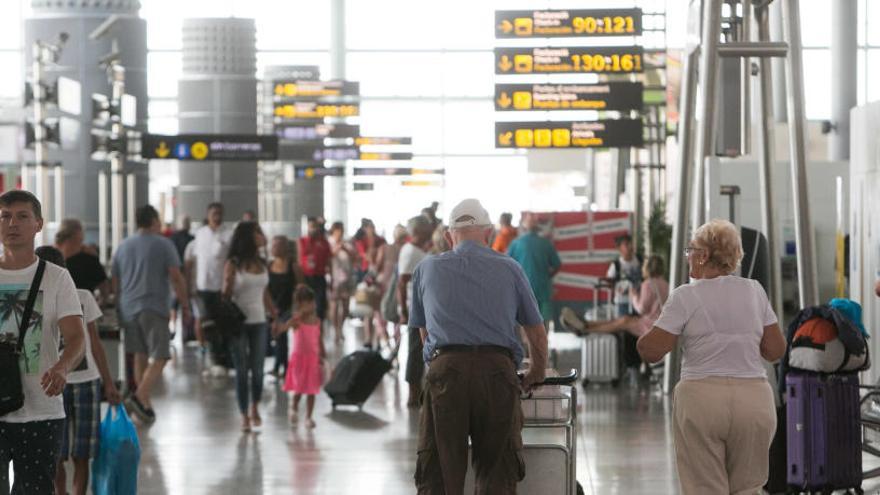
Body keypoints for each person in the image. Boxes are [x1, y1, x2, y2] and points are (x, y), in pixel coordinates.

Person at [409, 198, 548, 494]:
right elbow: (535, 331)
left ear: (449, 235)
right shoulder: (510, 269)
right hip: (497, 373)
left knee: (439, 471)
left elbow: (424, 333)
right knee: (497, 468)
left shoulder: (426, 269)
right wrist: (536, 371)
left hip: (446, 371)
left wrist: (440, 366)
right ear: (487, 233)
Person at [637, 219, 786, 494]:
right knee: (749, 488)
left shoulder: (685, 296)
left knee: (705, 488)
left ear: (704, 256)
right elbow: (775, 350)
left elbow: (652, 351)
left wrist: (643, 334)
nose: (688, 257)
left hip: (702, 400)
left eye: (690, 250)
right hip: (753, 400)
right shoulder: (754, 290)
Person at [0, 190, 85, 494]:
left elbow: (77, 337)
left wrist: (63, 366)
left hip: (41, 412)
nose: (12, 223)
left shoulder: (57, 278)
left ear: (38, 224)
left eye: (22, 216)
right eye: (5, 216)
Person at [34, 247, 121, 495]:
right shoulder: (34, 299)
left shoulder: (82, 296)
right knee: (56, 452)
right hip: (51, 383)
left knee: (83, 451)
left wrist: (109, 383)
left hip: (86, 381)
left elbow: (94, 343)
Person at [113, 205, 190, 424]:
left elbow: (116, 280)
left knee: (140, 354)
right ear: (155, 221)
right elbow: (176, 276)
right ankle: (138, 397)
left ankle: (145, 405)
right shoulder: (163, 244)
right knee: (162, 355)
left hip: (128, 308)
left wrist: (119, 305)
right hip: (153, 307)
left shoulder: (123, 245)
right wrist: (184, 304)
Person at [223, 222, 277, 432]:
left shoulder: (262, 262)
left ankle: (255, 406)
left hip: (259, 322)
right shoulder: (233, 263)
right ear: (249, 236)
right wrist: (227, 285)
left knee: (258, 369)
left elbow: (264, 292)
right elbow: (225, 295)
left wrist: (274, 314)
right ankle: (244, 413)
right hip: (238, 324)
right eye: (258, 232)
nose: (263, 236)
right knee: (242, 370)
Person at [561, 255, 669, 337]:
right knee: (623, 320)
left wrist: (633, 295)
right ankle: (585, 325)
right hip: (656, 324)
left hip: (650, 326)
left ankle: (586, 329)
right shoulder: (666, 284)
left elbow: (641, 309)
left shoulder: (648, 283)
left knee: (622, 322)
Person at [187, 202, 234, 376]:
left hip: (221, 287)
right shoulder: (200, 234)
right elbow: (194, 261)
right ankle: (213, 359)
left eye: (219, 213)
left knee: (221, 324)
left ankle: (223, 360)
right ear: (208, 215)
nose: (216, 216)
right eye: (213, 213)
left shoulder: (228, 234)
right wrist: (190, 285)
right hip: (203, 286)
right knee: (207, 324)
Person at [398, 215, 434, 408]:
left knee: (419, 349)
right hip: (416, 309)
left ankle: (417, 389)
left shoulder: (417, 251)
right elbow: (401, 283)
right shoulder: (410, 252)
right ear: (419, 231)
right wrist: (404, 311)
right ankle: (413, 392)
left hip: (422, 307)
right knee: (414, 350)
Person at [283, 285, 326, 429]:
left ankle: (309, 416)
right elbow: (285, 327)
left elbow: (319, 338)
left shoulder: (316, 320)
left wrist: (322, 353)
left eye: (312, 302)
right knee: (300, 388)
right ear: (300, 304)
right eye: (307, 303)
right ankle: (294, 407)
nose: (311, 306)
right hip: (299, 359)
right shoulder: (297, 321)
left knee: (312, 390)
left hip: (313, 359)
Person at [507, 213, 562, 326]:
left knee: (524, 321)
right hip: (543, 288)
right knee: (543, 321)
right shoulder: (546, 243)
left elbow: (507, 266)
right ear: (537, 226)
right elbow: (557, 265)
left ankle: (526, 343)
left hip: (523, 289)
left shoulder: (516, 243)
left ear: (523, 226)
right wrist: (547, 276)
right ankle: (543, 343)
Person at [268, 235, 303, 378]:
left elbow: (301, 287)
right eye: (273, 245)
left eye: (278, 245)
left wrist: (297, 307)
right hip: (272, 307)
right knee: (277, 336)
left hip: (288, 306)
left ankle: (283, 367)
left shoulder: (293, 266)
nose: (275, 248)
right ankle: (280, 366)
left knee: (281, 335)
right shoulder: (269, 266)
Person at [55, 218, 111, 305]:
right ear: (78, 235)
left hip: (57, 309)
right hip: (83, 310)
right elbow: (104, 289)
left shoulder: (50, 256)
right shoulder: (89, 259)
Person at [298, 217, 331, 323]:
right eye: (311, 227)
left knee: (320, 306)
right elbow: (300, 260)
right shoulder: (302, 241)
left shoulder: (324, 242)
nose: (313, 229)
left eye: (315, 227)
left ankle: (318, 331)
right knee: (305, 305)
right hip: (306, 277)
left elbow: (328, 260)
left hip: (320, 277)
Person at [327, 222, 355, 343]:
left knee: (346, 307)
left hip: (346, 279)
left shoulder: (347, 243)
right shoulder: (328, 243)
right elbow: (327, 258)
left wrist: (344, 248)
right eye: (337, 231)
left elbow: (354, 258)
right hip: (334, 278)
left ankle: (341, 327)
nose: (340, 234)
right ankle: (336, 331)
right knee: (334, 305)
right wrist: (335, 250)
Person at [606, 234, 643, 317]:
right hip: (622, 303)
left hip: (639, 302)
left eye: (631, 243)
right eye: (626, 244)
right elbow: (609, 282)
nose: (630, 246)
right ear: (619, 249)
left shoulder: (640, 260)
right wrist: (618, 289)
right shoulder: (616, 265)